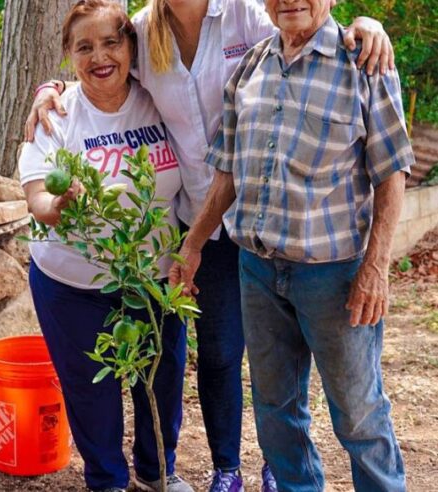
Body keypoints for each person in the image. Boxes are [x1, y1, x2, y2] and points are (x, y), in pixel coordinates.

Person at [25, 1, 394, 491]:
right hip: (203, 225)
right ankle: (229, 469)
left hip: (295, 240)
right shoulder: (139, 31)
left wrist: (365, 26)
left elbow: (308, 30)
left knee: (344, 401)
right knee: (231, 361)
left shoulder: (247, 16)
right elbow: (95, 66)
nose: (105, 51)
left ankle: (275, 466)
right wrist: (47, 89)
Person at [169, 0, 413, 488]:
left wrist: (376, 268)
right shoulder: (251, 67)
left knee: (359, 416)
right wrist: (192, 246)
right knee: (276, 413)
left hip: (335, 275)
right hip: (257, 270)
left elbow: (392, 174)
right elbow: (226, 175)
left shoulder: (364, 63)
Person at [18, 2, 190, 491]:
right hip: (70, 283)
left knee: (162, 379)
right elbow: (38, 199)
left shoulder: (159, 97)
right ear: (68, 57)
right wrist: (60, 203)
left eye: (111, 42)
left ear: (131, 47)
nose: (100, 56)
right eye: (84, 47)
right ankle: (108, 481)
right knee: (91, 392)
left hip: (152, 278)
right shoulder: (56, 115)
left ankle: (159, 474)